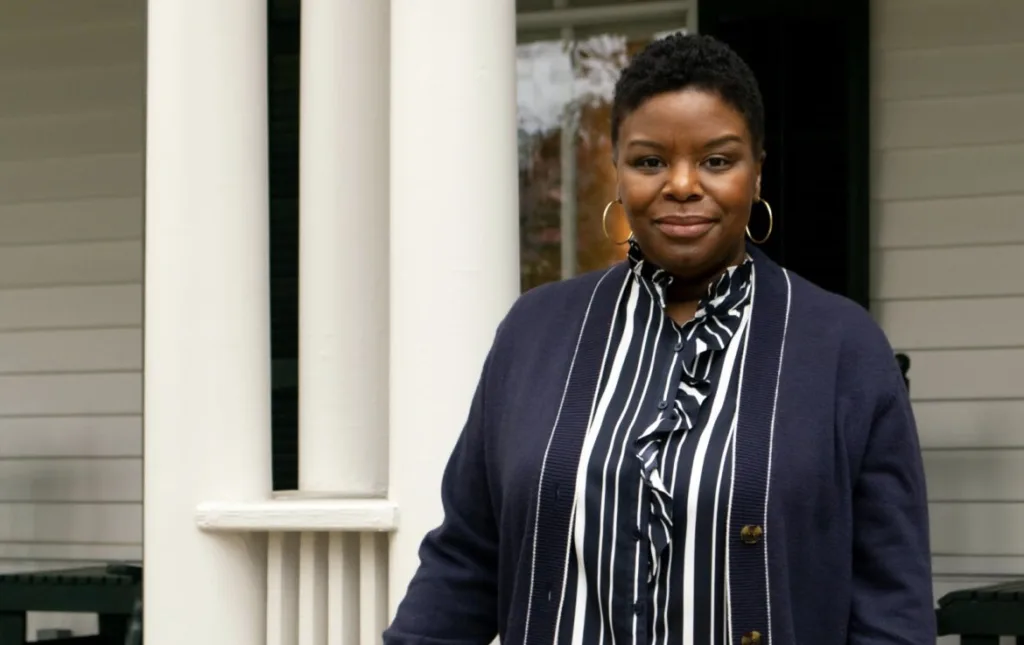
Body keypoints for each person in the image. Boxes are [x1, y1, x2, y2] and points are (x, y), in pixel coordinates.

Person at [384, 33, 934, 644]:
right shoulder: (533, 334)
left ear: (757, 174)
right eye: (650, 161)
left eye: (717, 161)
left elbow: (892, 606)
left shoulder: (844, 348)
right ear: (617, 172)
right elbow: (465, 560)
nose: (681, 185)